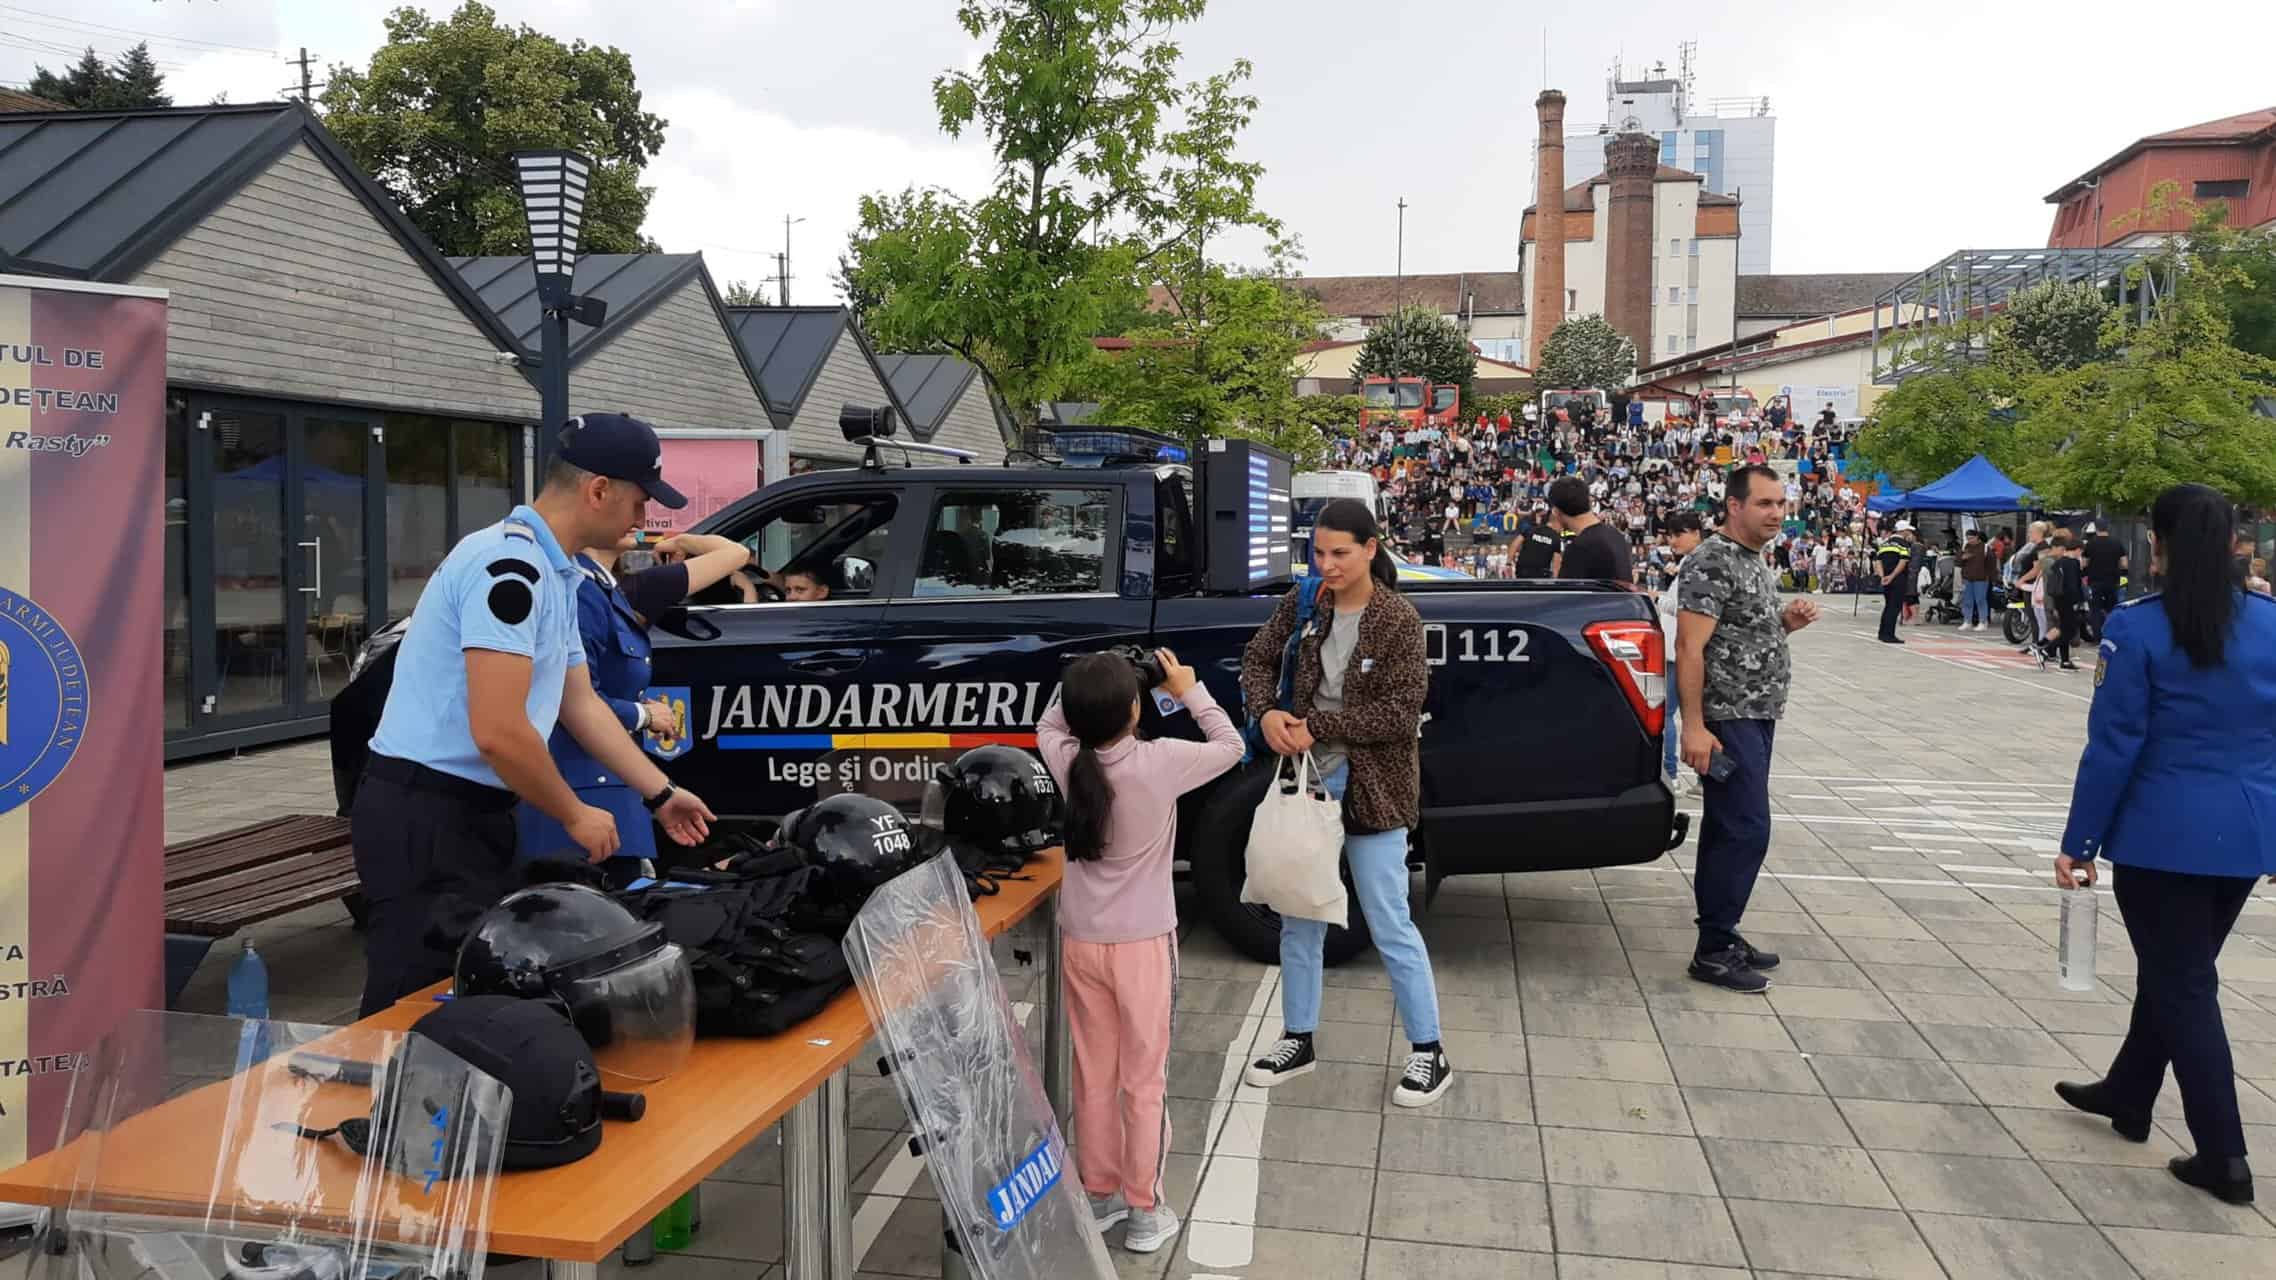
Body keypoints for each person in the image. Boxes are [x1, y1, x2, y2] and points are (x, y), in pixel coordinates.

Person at [353, 413, 716, 1015]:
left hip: (475, 810)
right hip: (427, 812)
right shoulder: (510, 567)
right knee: (409, 1000)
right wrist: (575, 813)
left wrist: (660, 792)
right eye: (640, 498)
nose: (644, 518)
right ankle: (366, 1107)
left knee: (465, 992)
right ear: (598, 489)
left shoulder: (557, 572)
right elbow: (497, 731)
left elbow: (580, 705)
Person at [2053, 483, 2276, 1207]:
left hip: (2161, 835)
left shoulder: (2140, 626)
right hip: (2245, 835)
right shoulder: (2271, 623)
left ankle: (2225, 1155)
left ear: (2163, 540)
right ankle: (2129, 1091)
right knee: (2179, 969)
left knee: (2184, 983)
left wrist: (2079, 841)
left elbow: (2113, 745)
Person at [1240, 498, 1450, 1107]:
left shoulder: (1397, 620)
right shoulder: (1305, 603)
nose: (1326, 564)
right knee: (1299, 914)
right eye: (1318, 552)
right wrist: (1268, 711)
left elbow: (1400, 711)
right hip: (1305, 781)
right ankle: (1298, 1036)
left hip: (1375, 785)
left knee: (1388, 919)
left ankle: (1428, 1050)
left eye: (1339, 553)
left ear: (1370, 549)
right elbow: (1256, 657)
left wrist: (1322, 727)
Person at [1037, 648, 1241, 1253]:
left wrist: (1082, 680)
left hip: (1082, 940)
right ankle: (1145, 1210)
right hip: (1144, 944)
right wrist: (1184, 685)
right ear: (1135, 708)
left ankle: (1099, 1195)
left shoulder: (1067, 757)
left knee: (1093, 1073)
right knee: (1143, 1080)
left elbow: (1050, 722)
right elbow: (1230, 745)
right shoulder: (1162, 761)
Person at [514, 528, 750, 877]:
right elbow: (572, 700)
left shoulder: (616, 590)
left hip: (616, 795)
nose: (638, 523)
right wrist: (642, 715)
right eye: (633, 505)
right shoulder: (581, 590)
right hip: (582, 800)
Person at [1676, 465, 1817, 992]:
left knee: (1728, 827)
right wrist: (1693, 727)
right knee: (1746, 828)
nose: (1777, 513)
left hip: (1755, 713)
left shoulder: (1752, 561)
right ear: (1734, 506)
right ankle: (1712, 949)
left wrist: (1786, 624)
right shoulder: (1712, 560)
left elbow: (1742, 634)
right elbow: (1689, 647)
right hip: (1727, 717)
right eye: (1764, 503)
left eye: (1781, 503)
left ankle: (1722, 932)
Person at [1657, 511, 1705, 794]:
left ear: (1696, 532)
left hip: (1679, 649)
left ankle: (1670, 773)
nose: (1673, 541)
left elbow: (1681, 605)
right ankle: (1702, 778)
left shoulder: (1694, 563)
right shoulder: (1689, 561)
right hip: (1681, 648)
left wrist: (1658, 599)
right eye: (1671, 535)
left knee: (1666, 714)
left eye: (1679, 534)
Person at [1550, 475, 1634, 583]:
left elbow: (1566, 597)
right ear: (1589, 502)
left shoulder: (1579, 548)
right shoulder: (1616, 535)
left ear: (1556, 512)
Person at [2040, 533, 2088, 671]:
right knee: (2070, 630)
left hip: (2058, 599)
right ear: (2078, 550)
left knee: (2064, 628)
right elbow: (2073, 585)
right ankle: (2047, 649)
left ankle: (2065, 660)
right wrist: (2077, 601)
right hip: (2069, 600)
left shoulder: (2058, 562)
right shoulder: (2072, 563)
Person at [2083, 522, 2127, 633]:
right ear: (2107, 528)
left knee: (2095, 609)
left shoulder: (2090, 544)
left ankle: (2097, 635)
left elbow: (2084, 563)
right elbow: (2124, 563)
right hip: (2113, 581)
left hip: (2095, 581)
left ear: (2096, 529)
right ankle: (2112, 633)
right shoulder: (2117, 543)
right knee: (2112, 608)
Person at [1875, 522, 1914, 645]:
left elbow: (1878, 561)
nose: (1910, 533)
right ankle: (1889, 635)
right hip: (1898, 578)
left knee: (1888, 606)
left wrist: (1883, 576)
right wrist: (1892, 576)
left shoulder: (1885, 543)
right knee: (1894, 607)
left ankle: (1882, 633)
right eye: (1908, 530)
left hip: (1885, 578)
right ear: (1903, 531)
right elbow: (1903, 561)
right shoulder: (1904, 544)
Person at [1958, 529, 1993, 632]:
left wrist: (1990, 577)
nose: (1970, 540)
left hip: (1981, 579)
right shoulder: (1965, 547)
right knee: (1967, 601)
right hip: (1968, 578)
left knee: (1980, 600)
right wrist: (1962, 558)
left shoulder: (1986, 548)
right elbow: (1958, 561)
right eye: (1968, 538)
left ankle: (1983, 622)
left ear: (1977, 537)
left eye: (1971, 538)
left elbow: (1992, 564)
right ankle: (1967, 621)